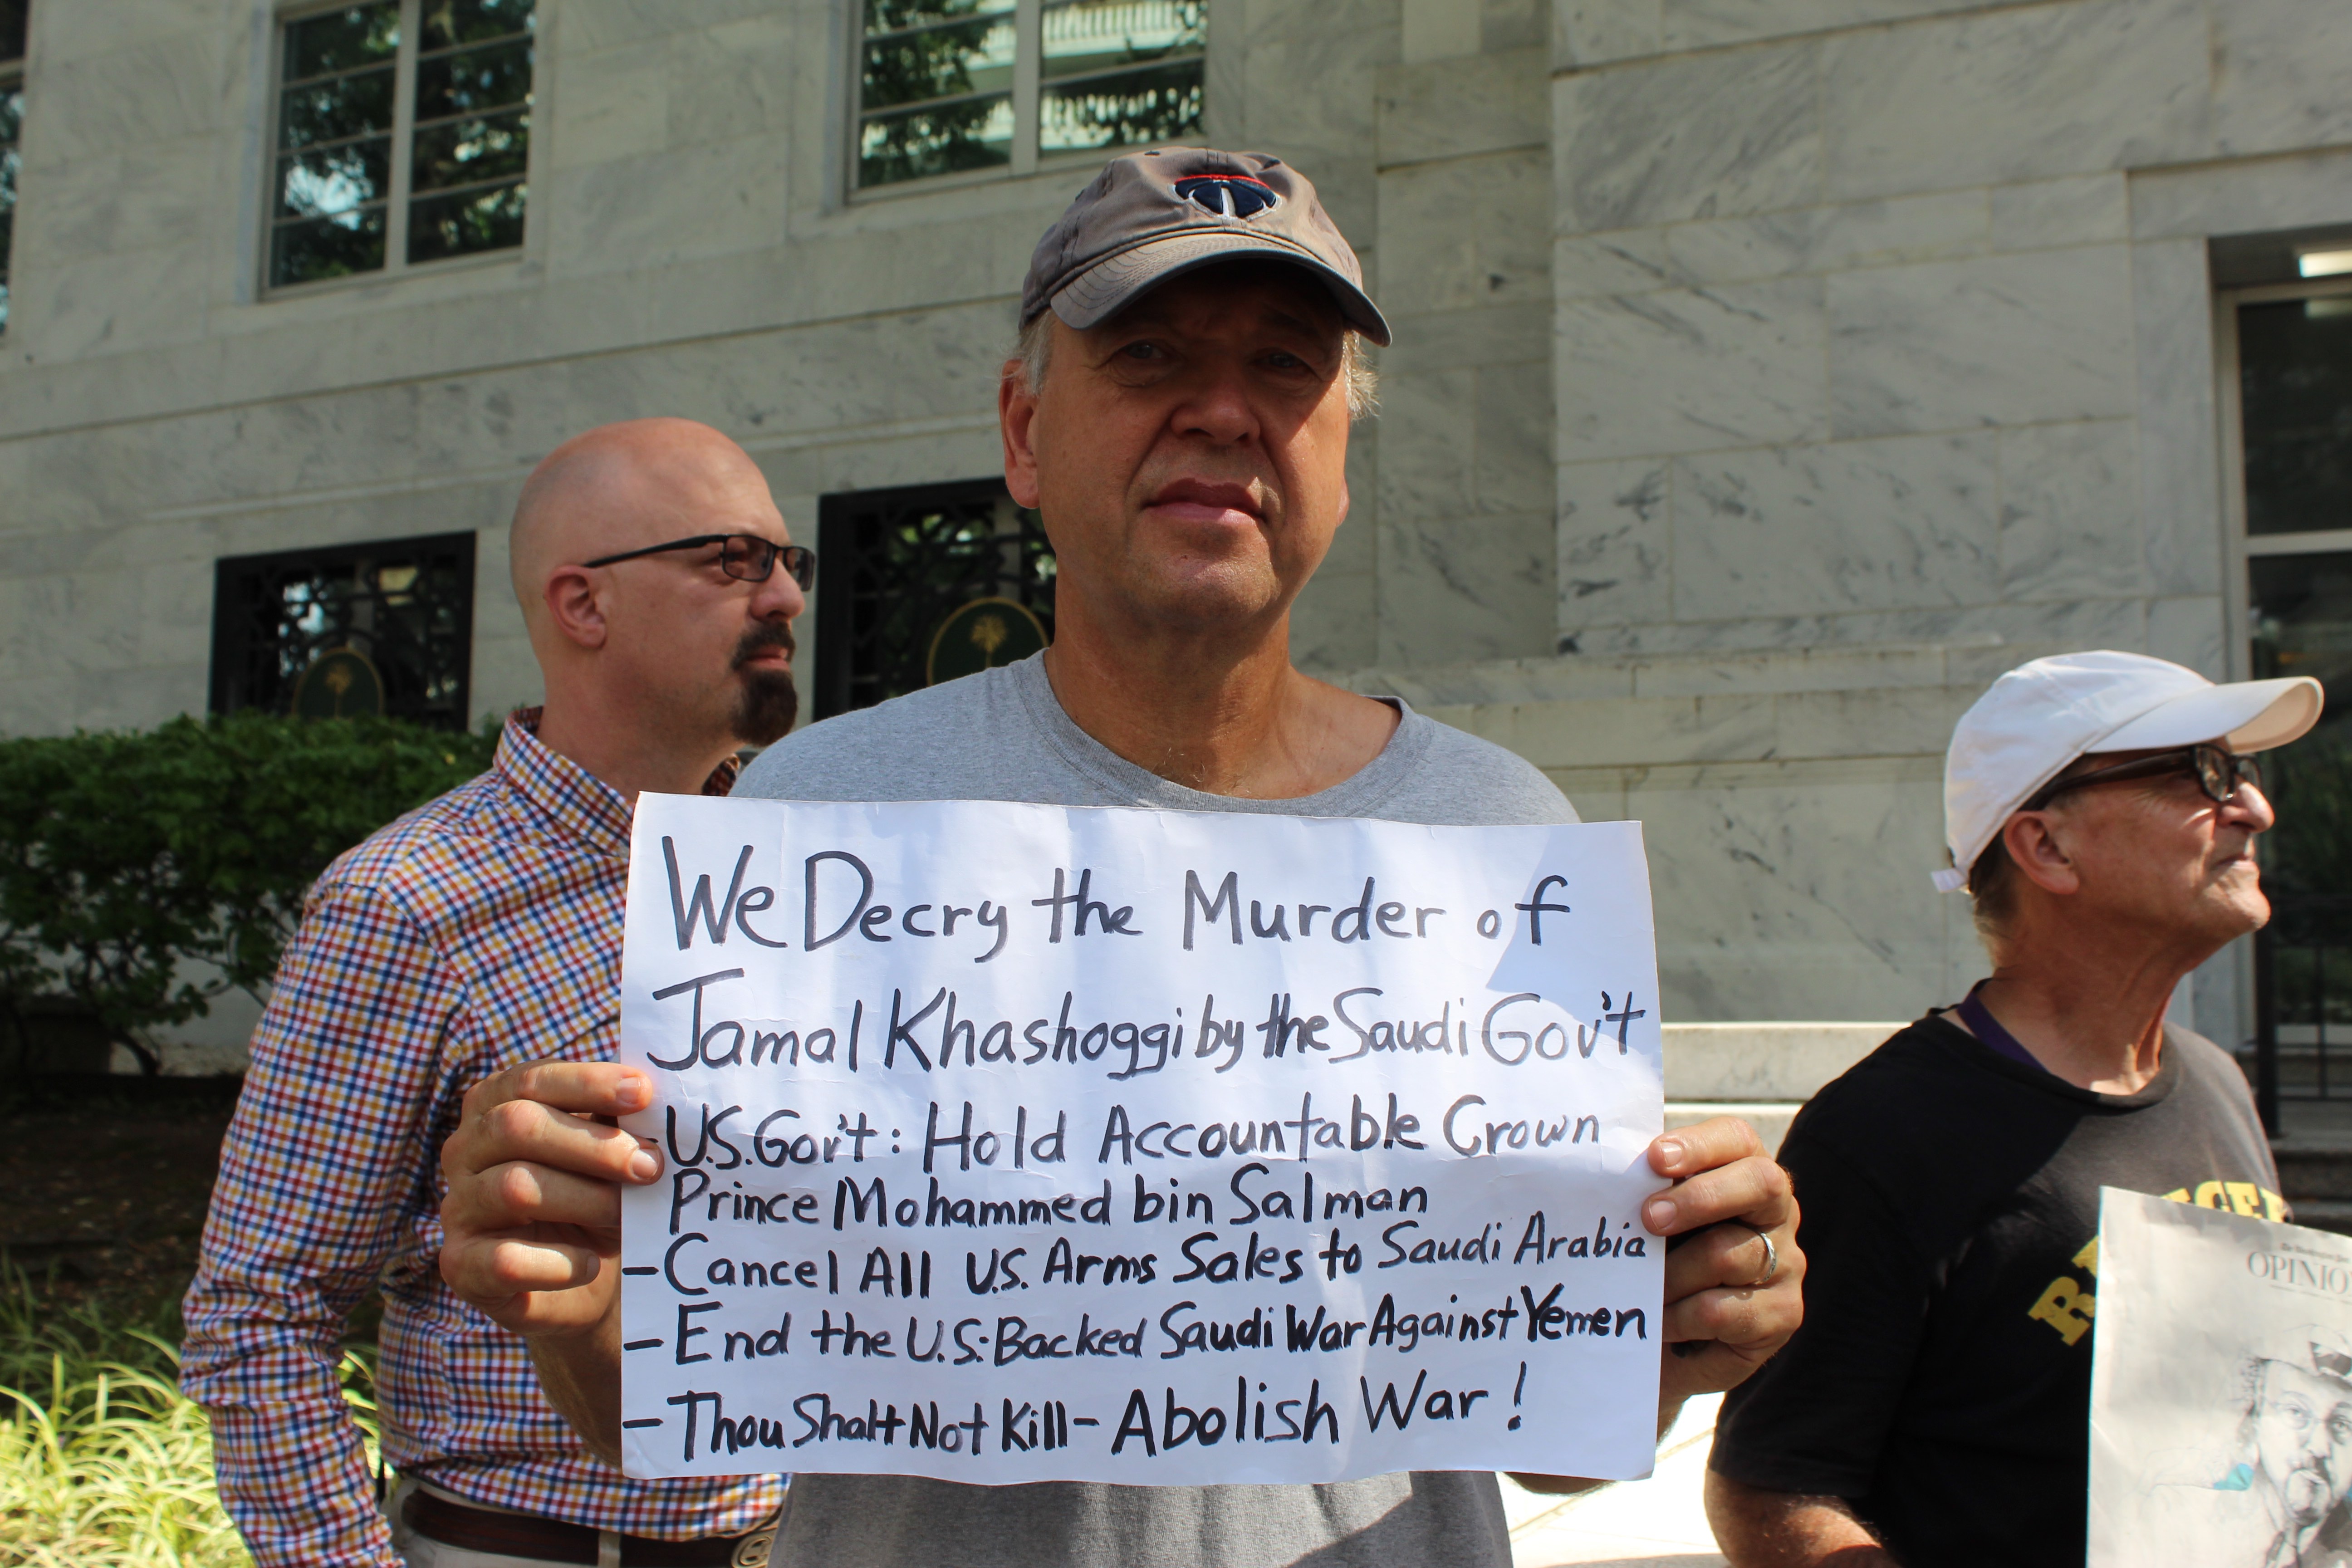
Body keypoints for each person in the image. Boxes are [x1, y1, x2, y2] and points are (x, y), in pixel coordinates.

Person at [436, 147, 1804, 1568]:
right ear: (1025, 433)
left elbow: (1538, 1434)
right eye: (1148, 354)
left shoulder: (1498, 833)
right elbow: (674, 1393)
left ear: (1340, 447)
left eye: (1286, 365)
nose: (1222, 412)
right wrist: (583, 1292)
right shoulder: (822, 816)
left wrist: (1689, 1330)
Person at [181, 418, 811, 1567]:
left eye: (787, 561)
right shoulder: (407, 903)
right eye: (732, 560)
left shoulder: (824, 878)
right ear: (583, 605)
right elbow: (259, 1312)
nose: (783, 599)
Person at [1706, 649, 2323, 1568]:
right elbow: (1773, 1486)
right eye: (2202, 774)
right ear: (2046, 847)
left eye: (2241, 772)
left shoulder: (2217, 1082)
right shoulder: (1887, 1130)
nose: (2253, 808)